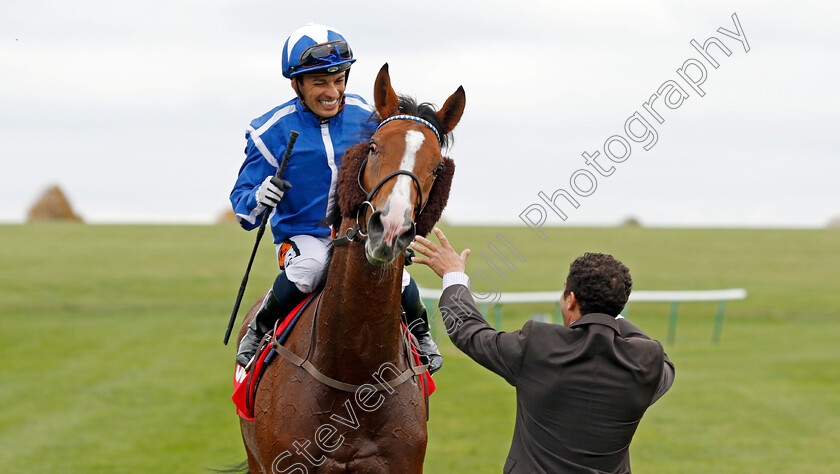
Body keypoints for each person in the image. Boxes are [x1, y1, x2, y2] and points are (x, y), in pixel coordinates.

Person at [230, 23, 442, 373]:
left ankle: (421, 334)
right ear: (296, 83)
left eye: (339, 79)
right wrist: (259, 195)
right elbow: (243, 211)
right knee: (312, 268)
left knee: (398, 278)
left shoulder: (369, 117)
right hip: (303, 238)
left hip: (357, 232)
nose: (333, 91)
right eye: (320, 82)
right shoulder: (269, 132)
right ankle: (259, 329)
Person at [411, 228, 675, 473]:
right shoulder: (647, 362)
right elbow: (663, 363)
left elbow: (470, 332)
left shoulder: (539, 344)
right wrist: (609, 314)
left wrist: (453, 275)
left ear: (571, 299)